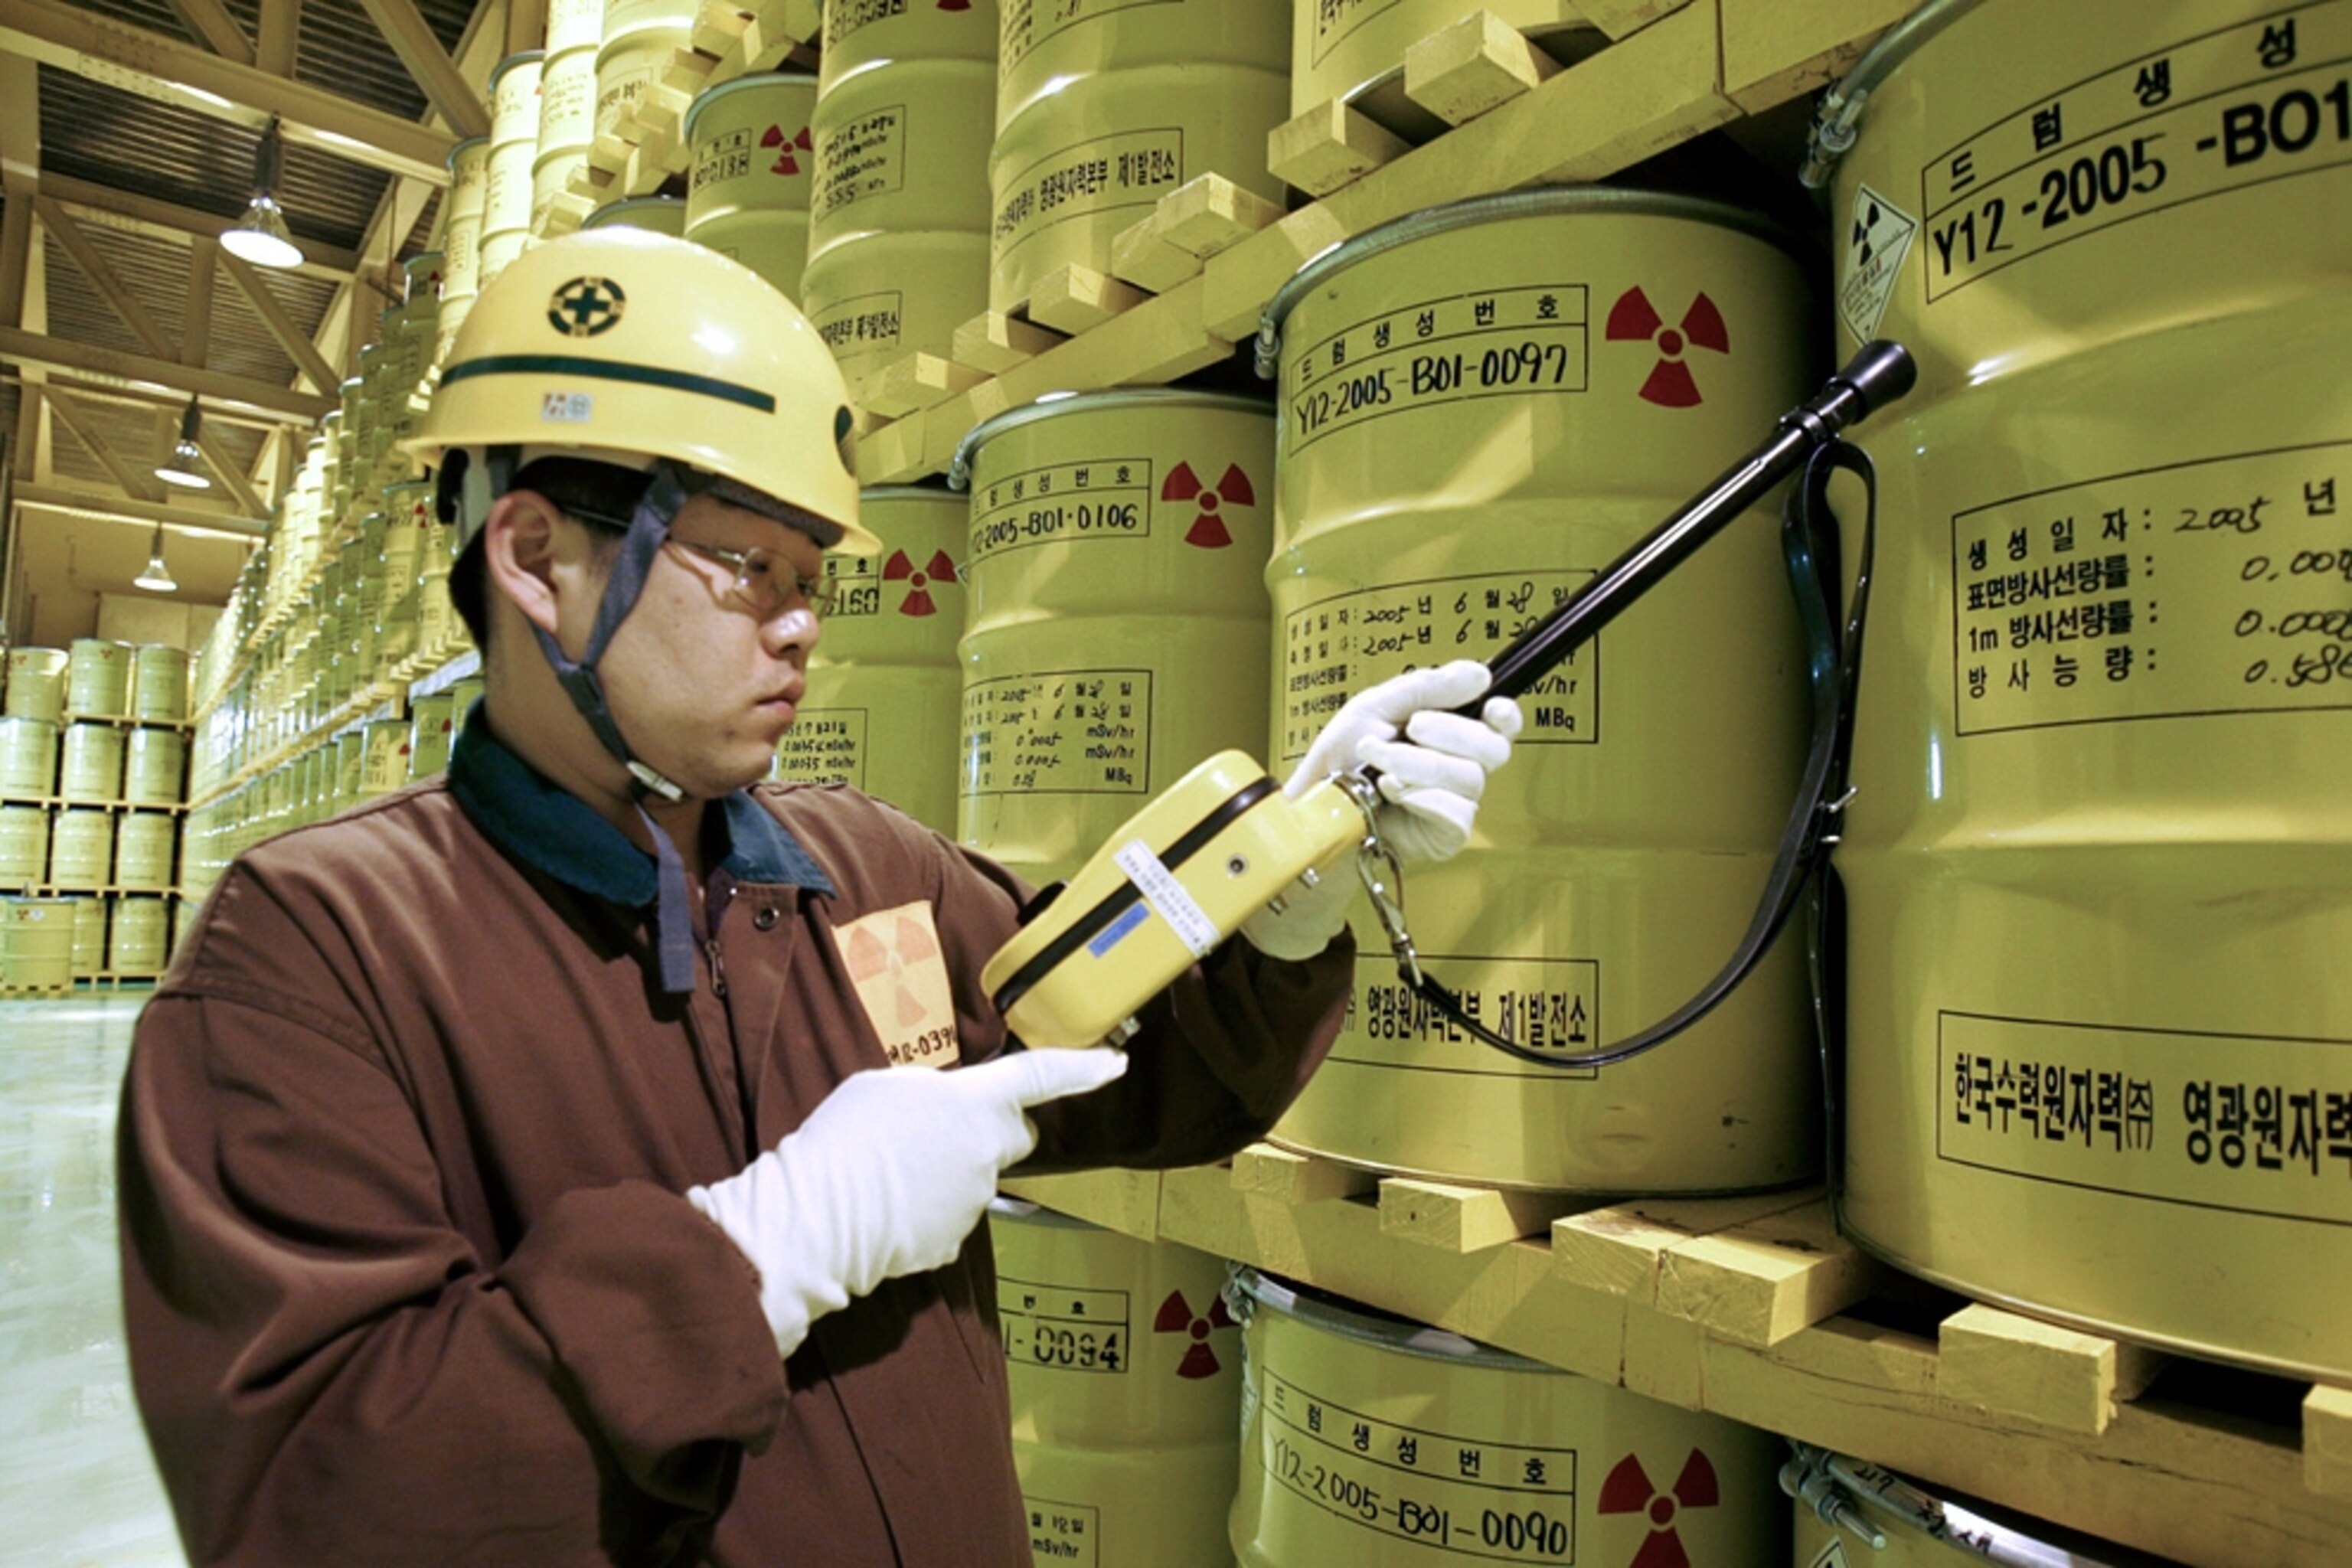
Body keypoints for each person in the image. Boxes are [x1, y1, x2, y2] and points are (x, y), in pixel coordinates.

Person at [116, 230, 1524, 1566]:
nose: (797, 623)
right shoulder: (316, 950)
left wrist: (1287, 893)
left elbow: (1140, 1075)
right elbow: (318, 1502)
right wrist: (761, 1249)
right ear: (538, 559)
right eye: (743, 565)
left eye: (811, 580)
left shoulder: (866, 871)